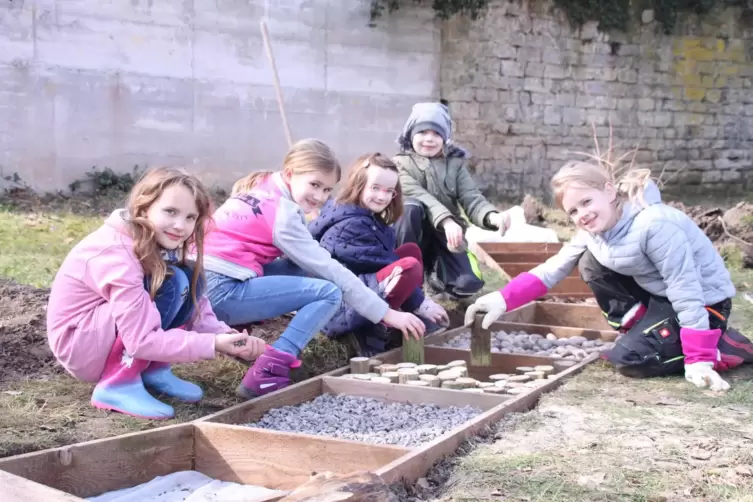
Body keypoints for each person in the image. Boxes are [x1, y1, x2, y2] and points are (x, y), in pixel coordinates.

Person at [465, 158, 753, 391]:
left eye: (587, 202)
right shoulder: (594, 231)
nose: (582, 215)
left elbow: (685, 290)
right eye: (573, 211)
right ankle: (648, 333)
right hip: (660, 296)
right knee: (590, 262)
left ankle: (722, 346)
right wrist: (503, 300)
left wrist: (699, 360)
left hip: (704, 303)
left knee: (629, 359)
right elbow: (554, 268)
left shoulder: (655, 226)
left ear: (610, 191)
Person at [203, 139, 426, 398]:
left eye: (326, 189)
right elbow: (331, 270)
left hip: (204, 287)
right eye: (314, 184)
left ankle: (250, 323)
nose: (319, 197)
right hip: (220, 294)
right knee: (329, 292)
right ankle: (272, 367)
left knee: (300, 269)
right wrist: (386, 313)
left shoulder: (260, 187)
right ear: (290, 174)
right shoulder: (282, 213)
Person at [47, 167, 265, 420]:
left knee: (186, 275)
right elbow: (141, 340)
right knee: (167, 285)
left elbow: (198, 308)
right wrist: (211, 344)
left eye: (190, 217)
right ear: (144, 207)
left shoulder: (157, 242)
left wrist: (227, 336)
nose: (180, 226)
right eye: (170, 212)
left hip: (106, 333)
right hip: (82, 346)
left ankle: (152, 369)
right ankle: (117, 383)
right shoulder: (115, 254)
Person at [309, 153, 450, 356]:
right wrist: (422, 303)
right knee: (408, 266)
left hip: (360, 282)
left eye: (389, 191)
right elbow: (381, 262)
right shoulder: (350, 225)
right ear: (359, 185)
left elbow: (380, 261)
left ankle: (405, 313)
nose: (382, 196)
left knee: (410, 250)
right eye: (375, 188)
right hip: (343, 303)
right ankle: (376, 328)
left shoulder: (365, 215)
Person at [393, 102, 513, 299]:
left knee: (468, 284)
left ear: (445, 137)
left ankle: (435, 274)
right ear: (410, 134)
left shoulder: (456, 165)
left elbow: (472, 198)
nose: (429, 139)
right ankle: (406, 278)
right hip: (414, 234)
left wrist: (492, 216)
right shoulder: (399, 164)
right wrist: (447, 221)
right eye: (422, 132)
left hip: (447, 237)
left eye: (437, 133)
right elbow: (421, 196)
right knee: (411, 207)